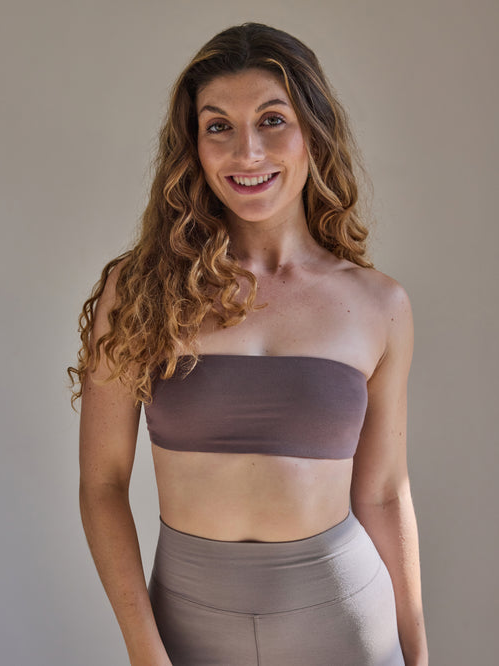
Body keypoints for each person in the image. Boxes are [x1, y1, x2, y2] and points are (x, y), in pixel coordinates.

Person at [68, 22, 428, 666]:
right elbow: (102, 484)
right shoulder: (141, 289)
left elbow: (382, 493)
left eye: (272, 120)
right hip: (187, 628)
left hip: (347, 624)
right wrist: (145, 653)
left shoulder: (380, 305)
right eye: (218, 126)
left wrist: (418, 653)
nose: (248, 152)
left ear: (314, 131)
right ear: (193, 146)